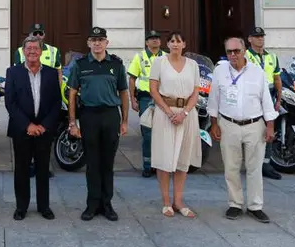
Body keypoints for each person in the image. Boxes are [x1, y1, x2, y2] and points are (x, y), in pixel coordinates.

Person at [207, 36, 277, 223]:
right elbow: (213, 99)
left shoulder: (257, 72)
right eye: (229, 51)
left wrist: (270, 125)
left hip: (254, 125)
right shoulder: (220, 71)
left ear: (244, 50)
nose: (232, 55)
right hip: (228, 124)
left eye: (236, 51)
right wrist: (214, 123)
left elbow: (266, 101)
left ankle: (255, 206)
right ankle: (235, 204)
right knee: (231, 167)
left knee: (254, 168)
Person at [67, 27, 128, 222]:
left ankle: (107, 204)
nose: (97, 43)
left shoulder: (116, 65)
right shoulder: (81, 64)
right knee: (92, 162)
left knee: (107, 162)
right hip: (89, 116)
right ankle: (92, 204)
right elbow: (72, 93)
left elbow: (124, 93)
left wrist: (125, 120)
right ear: (88, 43)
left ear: (106, 43)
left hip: (110, 115)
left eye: (101, 39)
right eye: (93, 40)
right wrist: (72, 122)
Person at [5, 35, 61, 221]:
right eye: (28, 48)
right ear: (23, 51)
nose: (32, 51)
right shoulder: (13, 72)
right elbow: (10, 103)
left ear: (41, 51)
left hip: (44, 131)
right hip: (22, 130)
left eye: (35, 48)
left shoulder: (52, 73)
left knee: (43, 168)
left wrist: (44, 126)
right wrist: (28, 125)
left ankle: (44, 206)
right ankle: (21, 207)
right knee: (21, 169)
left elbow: (56, 103)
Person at [148, 31, 201, 218]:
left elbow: (196, 92)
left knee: (182, 158)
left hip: (187, 114)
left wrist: (185, 112)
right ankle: (166, 201)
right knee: (164, 158)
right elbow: (153, 89)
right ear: (167, 44)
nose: (175, 44)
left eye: (179, 41)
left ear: (184, 44)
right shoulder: (159, 62)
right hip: (165, 113)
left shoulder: (193, 65)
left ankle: (178, 200)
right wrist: (169, 112)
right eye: (172, 41)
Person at [128, 30, 166, 178]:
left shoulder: (166, 57)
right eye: (152, 38)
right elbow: (132, 79)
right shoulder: (140, 57)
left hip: (164, 99)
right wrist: (133, 99)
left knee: (163, 133)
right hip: (146, 99)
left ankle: (161, 166)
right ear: (146, 42)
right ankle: (148, 166)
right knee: (148, 133)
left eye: (157, 38)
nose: (155, 40)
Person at [246, 27, 283, 180]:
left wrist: (279, 99)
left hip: (269, 96)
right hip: (252, 97)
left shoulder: (272, 57)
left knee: (269, 130)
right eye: (256, 36)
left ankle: (265, 164)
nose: (260, 39)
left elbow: (277, 79)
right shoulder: (246, 55)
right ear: (250, 39)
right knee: (253, 131)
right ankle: (253, 164)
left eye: (261, 36)